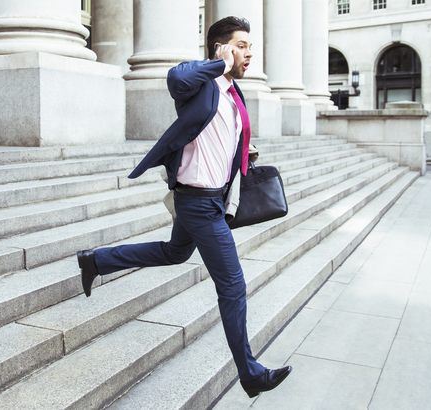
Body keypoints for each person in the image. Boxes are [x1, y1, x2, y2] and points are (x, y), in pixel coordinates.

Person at [76, 16, 291, 398]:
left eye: (249, 46)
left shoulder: (233, 94)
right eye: (241, 45)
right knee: (233, 286)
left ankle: (97, 261)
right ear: (220, 48)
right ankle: (250, 372)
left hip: (210, 199)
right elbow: (176, 78)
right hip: (197, 204)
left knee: (175, 253)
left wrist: (243, 151)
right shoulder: (201, 85)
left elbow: (220, 138)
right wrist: (220, 65)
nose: (249, 53)